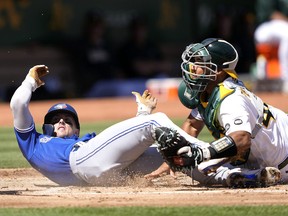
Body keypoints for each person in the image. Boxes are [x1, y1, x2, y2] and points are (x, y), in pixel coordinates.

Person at [9, 65, 207, 186]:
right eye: (55, 120)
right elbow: (18, 104)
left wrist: (142, 113)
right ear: (46, 128)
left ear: (77, 131)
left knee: (180, 156)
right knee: (156, 120)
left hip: (106, 173)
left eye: (67, 120)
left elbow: (120, 151)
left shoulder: (87, 143)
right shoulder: (33, 143)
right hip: (83, 164)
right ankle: (210, 150)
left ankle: (229, 172)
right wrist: (30, 82)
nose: (61, 121)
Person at [147, 38, 288, 188]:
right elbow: (191, 126)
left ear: (217, 71)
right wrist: (170, 161)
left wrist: (204, 152)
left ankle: (250, 175)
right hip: (269, 157)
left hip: (283, 161)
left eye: (199, 63)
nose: (192, 67)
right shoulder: (209, 90)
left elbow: (242, 139)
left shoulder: (231, 99)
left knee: (202, 162)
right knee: (199, 161)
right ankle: (252, 175)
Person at [254, 0, 288, 91]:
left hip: (279, 29)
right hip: (264, 28)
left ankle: (264, 64)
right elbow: (274, 15)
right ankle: (286, 78)